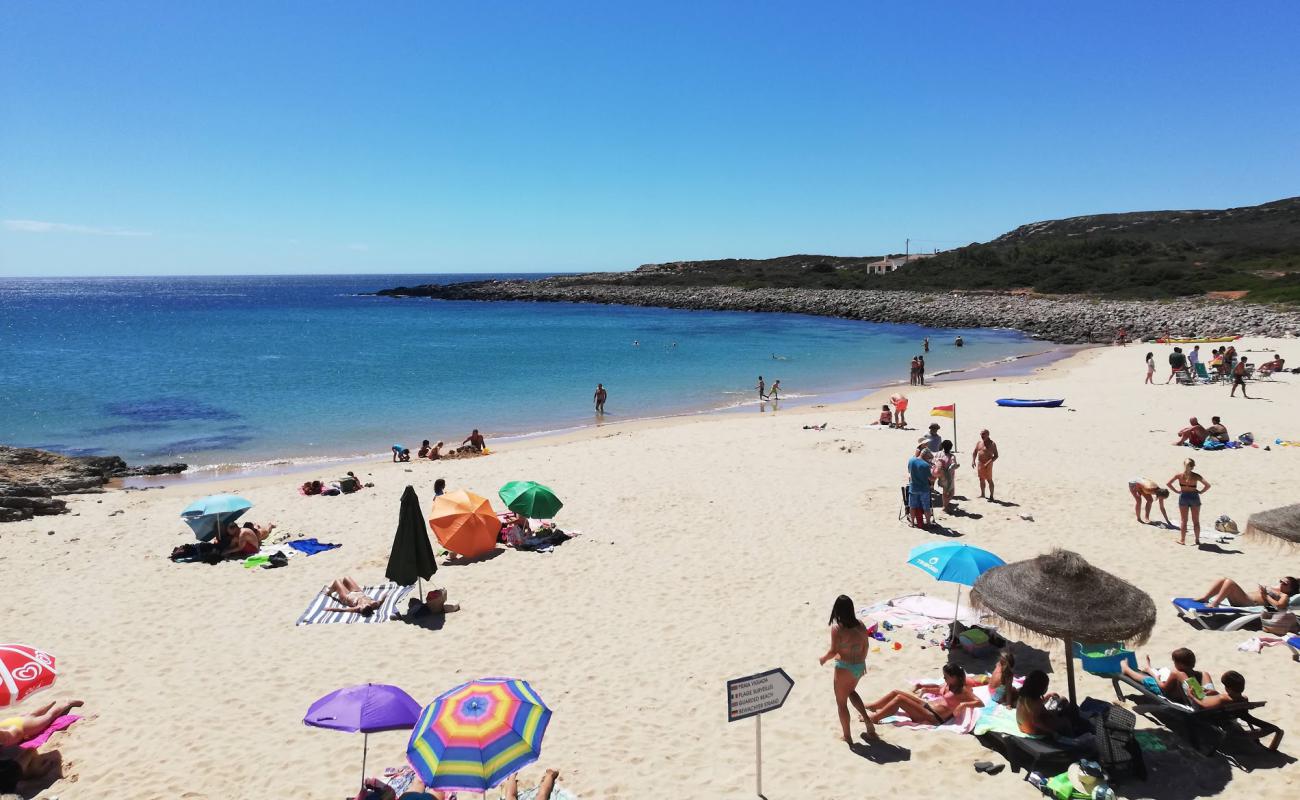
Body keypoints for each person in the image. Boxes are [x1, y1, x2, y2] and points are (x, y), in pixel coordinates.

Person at [818, 595, 873, 743]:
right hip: (859, 666)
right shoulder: (861, 625)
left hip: (845, 668)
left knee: (841, 703)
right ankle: (868, 721)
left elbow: (833, 651)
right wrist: (862, 662)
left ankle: (847, 736)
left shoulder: (837, 629)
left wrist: (823, 658)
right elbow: (866, 646)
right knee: (851, 692)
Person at [1189, 671, 1284, 749]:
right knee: (1205, 676)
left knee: (1191, 681)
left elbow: (1203, 704)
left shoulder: (1223, 699)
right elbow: (1244, 714)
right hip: (1229, 714)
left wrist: (1192, 696)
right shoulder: (1244, 699)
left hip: (1214, 717)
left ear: (1228, 688)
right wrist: (1215, 693)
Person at [866, 663, 982, 726]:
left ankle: (876, 718)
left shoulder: (962, 690)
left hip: (933, 717)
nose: (944, 678)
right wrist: (923, 687)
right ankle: (874, 706)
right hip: (926, 706)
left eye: (946, 676)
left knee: (900, 699)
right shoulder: (948, 684)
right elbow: (937, 689)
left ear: (954, 677)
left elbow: (979, 703)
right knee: (896, 692)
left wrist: (963, 705)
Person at [0, 698, 83, 786]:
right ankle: (49, 705)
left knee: (49, 717)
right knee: (32, 715)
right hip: (8, 723)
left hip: (21, 728)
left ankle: (67, 703)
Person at [1120, 648, 1215, 704]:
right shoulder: (1203, 674)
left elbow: (1163, 688)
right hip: (1203, 698)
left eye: (1175, 662)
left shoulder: (1178, 674)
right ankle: (1149, 668)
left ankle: (1127, 669)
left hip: (1175, 696)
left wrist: (1155, 676)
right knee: (1163, 675)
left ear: (1180, 664)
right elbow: (1208, 692)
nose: (1174, 664)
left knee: (1148, 679)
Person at [1166, 458, 1210, 546]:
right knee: (1196, 521)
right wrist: (1201, 492)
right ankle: (1197, 540)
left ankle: (1182, 540)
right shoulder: (1196, 476)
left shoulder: (1179, 475)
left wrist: (1176, 491)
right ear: (1193, 467)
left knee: (1183, 520)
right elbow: (1207, 485)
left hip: (1183, 496)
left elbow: (1168, 484)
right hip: (1194, 497)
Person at [1016, 670, 1072, 737]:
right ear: (1040, 688)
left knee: (1062, 702)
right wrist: (1052, 732)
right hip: (1033, 730)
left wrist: (1048, 697)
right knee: (1066, 722)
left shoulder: (1024, 695)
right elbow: (1036, 722)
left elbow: (1033, 709)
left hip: (1023, 727)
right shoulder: (1036, 703)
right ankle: (1071, 737)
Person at [1195, 576, 1298, 610]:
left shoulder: (1284, 596)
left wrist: (1265, 596)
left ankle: (1215, 603)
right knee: (1224, 579)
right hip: (1244, 598)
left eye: (1284, 583)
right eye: (1281, 580)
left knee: (1229, 583)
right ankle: (1205, 597)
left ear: (1290, 589)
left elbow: (1280, 606)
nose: (1281, 583)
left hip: (1249, 603)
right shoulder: (1276, 589)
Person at [907, 448, 935, 527]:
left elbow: (909, 471)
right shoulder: (926, 465)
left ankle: (912, 523)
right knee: (926, 507)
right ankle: (928, 523)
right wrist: (936, 474)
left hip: (913, 488)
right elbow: (931, 478)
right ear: (926, 456)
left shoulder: (911, 460)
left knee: (912, 506)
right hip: (924, 489)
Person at [972, 429, 999, 501]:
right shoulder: (979, 443)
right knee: (981, 479)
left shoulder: (992, 444)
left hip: (988, 464)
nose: (982, 435)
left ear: (988, 434)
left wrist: (988, 462)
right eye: (981, 434)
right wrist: (973, 461)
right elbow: (975, 452)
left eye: (983, 434)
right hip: (980, 463)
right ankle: (983, 494)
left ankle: (991, 496)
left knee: (989, 480)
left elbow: (996, 456)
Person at [932, 439, 958, 510]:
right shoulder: (951, 456)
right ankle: (945, 506)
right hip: (949, 477)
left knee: (944, 492)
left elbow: (933, 462)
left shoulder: (938, 453)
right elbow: (953, 464)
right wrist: (956, 466)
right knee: (951, 492)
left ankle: (945, 505)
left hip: (940, 475)